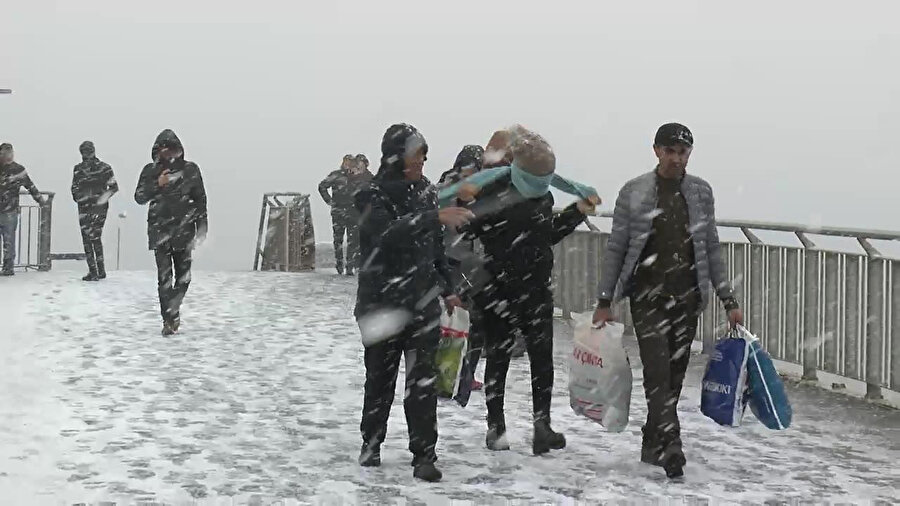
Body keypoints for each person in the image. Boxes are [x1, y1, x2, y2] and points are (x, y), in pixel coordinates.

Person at [593, 123, 743, 480]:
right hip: (647, 297)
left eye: (683, 152)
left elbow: (710, 246)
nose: (676, 158)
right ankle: (672, 444)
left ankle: (651, 440)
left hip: (688, 297)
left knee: (674, 377)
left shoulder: (700, 192)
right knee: (657, 374)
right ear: (657, 150)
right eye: (670, 151)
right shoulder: (635, 191)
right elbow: (617, 247)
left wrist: (728, 298)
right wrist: (605, 298)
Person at [440, 126, 600, 455]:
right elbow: (470, 226)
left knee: (541, 360)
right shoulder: (494, 189)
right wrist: (463, 200)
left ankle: (541, 426)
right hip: (498, 287)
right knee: (498, 357)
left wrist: (576, 212)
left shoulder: (543, 195)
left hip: (536, 288)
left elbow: (546, 234)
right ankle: (496, 427)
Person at [354, 123, 472, 483]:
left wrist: (449, 286)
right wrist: (433, 216)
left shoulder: (426, 192)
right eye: (416, 154)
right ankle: (371, 442)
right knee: (380, 378)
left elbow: (435, 247)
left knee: (422, 383)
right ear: (396, 157)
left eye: (424, 154)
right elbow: (385, 235)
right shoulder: (369, 194)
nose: (422, 161)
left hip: (422, 301)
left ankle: (424, 454)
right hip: (381, 303)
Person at [134, 130, 208, 336]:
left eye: (171, 149)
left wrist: (202, 226)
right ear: (157, 151)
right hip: (160, 231)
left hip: (184, 231)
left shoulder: (191, 170)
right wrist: (157, 185)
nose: (167, 154)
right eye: (163, 150)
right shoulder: (150, 171)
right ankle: (169, 320)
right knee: (164, 279)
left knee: (184, 278)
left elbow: (201, 199)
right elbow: (139, 197)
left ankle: (172, 309)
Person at [438, 145, 487, 394]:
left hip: (465, 260)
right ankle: (456, 373)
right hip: (457, 259)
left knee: (466, 320)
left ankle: (461, 372)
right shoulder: (453, 188)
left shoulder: (449, 184)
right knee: (462, 318)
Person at [72, 141, 118, 281]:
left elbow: (114, 187)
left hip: (93, 207)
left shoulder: (101, 168)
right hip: (92, 207)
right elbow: (74, 188)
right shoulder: (83, 169)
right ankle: (97, 270)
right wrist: (85, 199)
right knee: (92, 238)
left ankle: (95, 270)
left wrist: (94, 199)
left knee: (91, 238)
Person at [0, 143, 45, 276]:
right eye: (4, 153)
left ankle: (8, 268)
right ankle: (7, 267)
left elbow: (30, 186)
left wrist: (40, 200)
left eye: (9, 152)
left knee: (9, 241)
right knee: (9, 240)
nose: (8, 155)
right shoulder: (15, 169)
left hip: (10, 211)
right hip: (9, 210)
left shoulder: (18, 170)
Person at [319, 154, 364, 275]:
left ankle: (350, 266)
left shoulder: (356, 177)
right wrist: (329, 201)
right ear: (343, 163)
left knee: (352, 240)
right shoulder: (336, 175)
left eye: (350, 162)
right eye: (346, 162)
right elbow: (322, 186)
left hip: (352, 212)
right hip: (338, 211)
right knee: (338, 239)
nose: (348, 165)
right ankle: (339, 264)